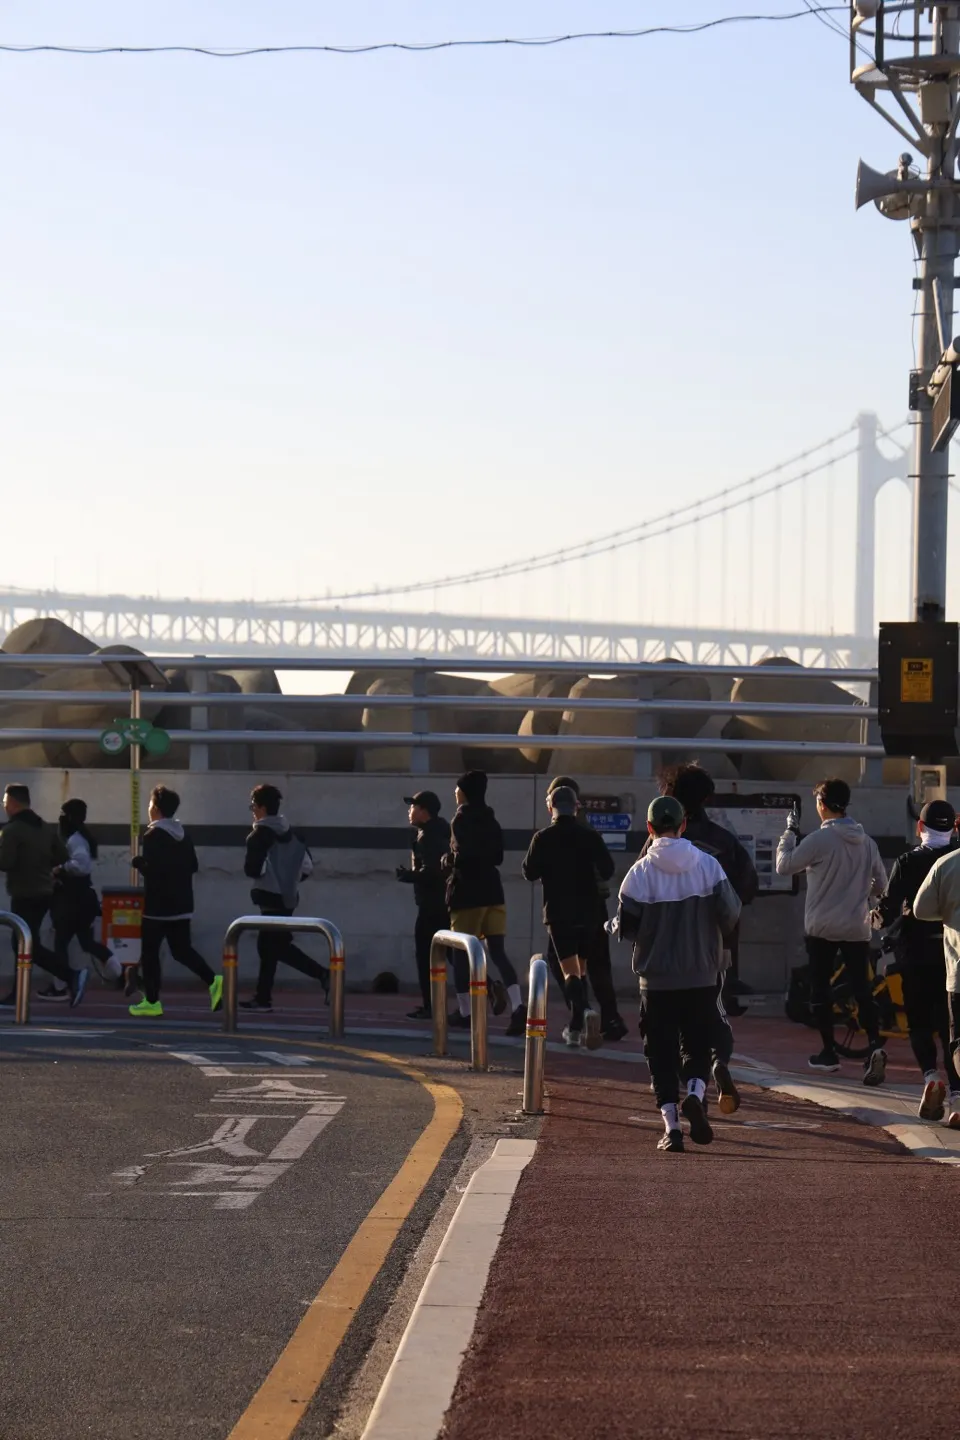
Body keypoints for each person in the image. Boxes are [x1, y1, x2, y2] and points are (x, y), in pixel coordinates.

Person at [616, 796, 741, 1154]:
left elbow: (627, 926)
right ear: (683, 825)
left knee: (660, 1053)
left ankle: (671, 1128)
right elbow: (731, 914)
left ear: (650, 827)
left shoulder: (639, 873)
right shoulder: (708, 866)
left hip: (656, 979)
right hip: (701, 974)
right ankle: (697, 1096)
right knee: (697, 1043)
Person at [654, 764, 759, 1112]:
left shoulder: (658, 845)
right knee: (713, 1012)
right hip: (714, 947)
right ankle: (717, 1062)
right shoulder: (724, 842)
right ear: (706, 797)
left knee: (671, 1023)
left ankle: (682, 1088)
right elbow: (747, 887)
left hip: (667, 950)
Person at [776, 777, 888, 1082]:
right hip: (857, 926)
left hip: (822, 927)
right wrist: (865, 895)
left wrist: (789, 832)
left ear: (822, 804)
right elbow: (882, 885)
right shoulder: (867, 842)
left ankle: (828, 1053)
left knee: (820, 990)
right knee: (862, 990)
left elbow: (784, 865)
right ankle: (875, 1045)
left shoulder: (819, 840)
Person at [875, 799, 960, 1124]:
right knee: (951, 1026)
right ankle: (957, 1095)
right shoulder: (955, 858)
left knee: (918, 1020)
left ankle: (929, 1076)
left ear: (920, 826)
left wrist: (877, 917)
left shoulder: (908, 861)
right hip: (951, 953)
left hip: (914, 951)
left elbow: (888, 909)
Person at [522, 785, 614, 1049]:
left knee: (569, 971)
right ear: (576, 807)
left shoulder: (543, 838)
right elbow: (608, 869)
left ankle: (585, 1012)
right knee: (580, 969)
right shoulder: (590, 836)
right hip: (589, 911)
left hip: (558, 911)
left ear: (550, 807)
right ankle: (574, 1030)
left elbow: (529, 872)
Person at [544, 775, 628, 1042]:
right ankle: (611, 1018)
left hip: (563, 909)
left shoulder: (555, 832)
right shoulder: (588, 829)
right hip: (594, 906)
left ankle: (581, 1012)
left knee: (560, 963)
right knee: (598, 963)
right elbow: (607, 868)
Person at [442, 770, 526, 1036]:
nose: (455, 792)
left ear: (465, 792)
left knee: (460, 952)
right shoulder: (492, 820)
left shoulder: (460, 819)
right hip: (493, 891)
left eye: (458, 789)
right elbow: (498, 857)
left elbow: (463, 856)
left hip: (468, 894)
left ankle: (465, 1012)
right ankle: (518, 1007)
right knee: (498, 952)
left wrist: (448, 860)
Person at [128, 785, 221, 1019]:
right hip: (182, 904)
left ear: (155, 809)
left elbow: (154, 871)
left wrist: (139, 864)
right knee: (181, 950)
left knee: (150, 953)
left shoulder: (152, 835)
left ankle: (152, 1002)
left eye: (150, 804)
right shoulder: (183, 834)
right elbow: (193, 866)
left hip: (158, 906)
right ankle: (213, 980)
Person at [239, 783, 329, 1013]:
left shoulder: (258, 836)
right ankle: (263, 997)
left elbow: (253, 869)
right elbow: (307, 867)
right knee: (271, 947)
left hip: (268, 896)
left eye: (253, 806)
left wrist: (268, 875)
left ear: (261, 807)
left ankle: (323, 975)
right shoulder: (294, 835)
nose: (252, 811)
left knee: (274, 947)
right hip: (289, 896)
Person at [0, 783, 88, 1008]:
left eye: (5, 802)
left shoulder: (11, 830)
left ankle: (71, 975)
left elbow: (5, 862)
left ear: (12, 803)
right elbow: (62, 856)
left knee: (25, 944)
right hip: (45, 893)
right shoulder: (44, 827)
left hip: (24, 892)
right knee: (26, 941)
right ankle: (18, 993)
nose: (4, 806)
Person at [39, 798, 122, 1001]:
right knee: (86, 942)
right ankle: (116, 968)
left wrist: (60, 869)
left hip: (71, 901)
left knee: (61, 942)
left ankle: (60, 987)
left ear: (68, 816)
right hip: (84, 901)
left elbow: (81, 865)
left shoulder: (74, 840)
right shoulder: (81, 837)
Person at [913, 827, 960, 1125]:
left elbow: (921, 909)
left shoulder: (946, 864)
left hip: (958, 970)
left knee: (957, 1040)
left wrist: (948, 913)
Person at [397, 790, 457, 1020]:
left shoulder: (428, 837)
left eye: (413, 807)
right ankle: (488, 987)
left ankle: (431, 1006)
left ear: (424, 811)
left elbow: (432, 872)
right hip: (443, 903)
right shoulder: (442, 831)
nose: (409, 811)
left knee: (425, 955)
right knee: (452, 954)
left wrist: (408, 876)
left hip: (431, 905)